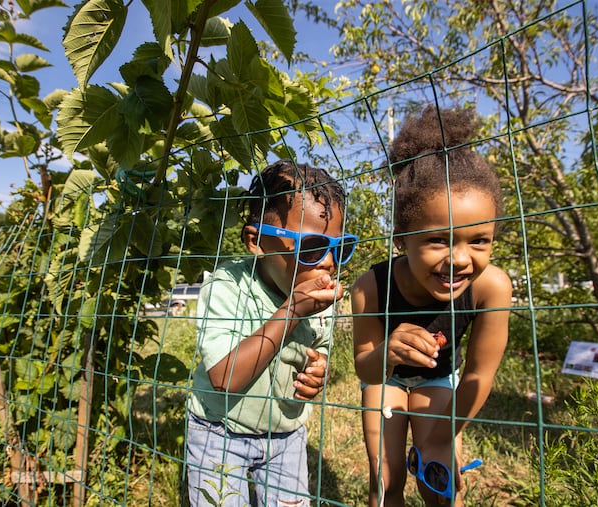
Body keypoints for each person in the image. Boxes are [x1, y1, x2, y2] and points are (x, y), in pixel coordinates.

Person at [351, 106, 512, 507]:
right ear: (402, 238)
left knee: (438, 482)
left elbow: (478, 374)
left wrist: (443, 437)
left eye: (479, 241)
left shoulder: (491, 287)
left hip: (439, 380)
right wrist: (387, 353)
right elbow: (363, 366)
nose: (459, 259)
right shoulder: (371, 287)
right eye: (439, 240)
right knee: (384, 484)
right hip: (385, 379)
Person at [186, 159, 358, 507]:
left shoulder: (321, 299)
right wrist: (292, 310)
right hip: (219, 430)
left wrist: (317, 372)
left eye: (338, 248)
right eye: (310, 247)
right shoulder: (227, 287)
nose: (327, 262)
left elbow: (319, 346)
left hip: (286, 434)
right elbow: (224, 377)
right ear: (257, 241)